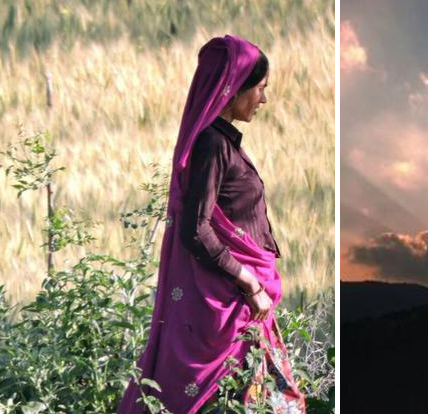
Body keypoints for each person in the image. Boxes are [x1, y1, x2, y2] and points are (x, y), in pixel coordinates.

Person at [117, 35, 306, 414]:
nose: (263, 100)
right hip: (232, 306)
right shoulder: (213, 145)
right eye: (260, 89)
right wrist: (250, 282)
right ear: (233, 88)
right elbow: (196, 229)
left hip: (244, 304)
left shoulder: (224, 143)